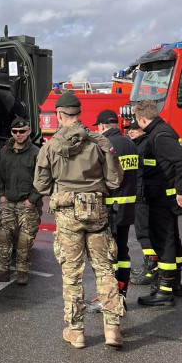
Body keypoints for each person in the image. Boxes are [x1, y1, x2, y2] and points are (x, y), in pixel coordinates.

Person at [33, 91, 124, 349]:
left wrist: (61, 189)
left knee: (72, 274)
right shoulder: (99, 142)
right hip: (96, 212)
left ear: (60, 115)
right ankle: (112, 329)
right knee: (104, 269)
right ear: (79, 114)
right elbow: (115, 181)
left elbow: (40, 185)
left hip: (67, 215)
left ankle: (77, 332)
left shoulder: (50, 146)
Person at [134, 100, 182, 306]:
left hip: (162, 199)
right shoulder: (160, 131)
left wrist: (181, 191)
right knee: (171, 240)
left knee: (163, 241)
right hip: (162, 196)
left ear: (142, 119)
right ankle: (174, 284)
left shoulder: (159, 136)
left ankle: (164, 292)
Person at [85, 110, 138, 312]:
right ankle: (122, 295)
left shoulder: (105, 144)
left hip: (110, 209)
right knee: (123, 252)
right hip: (127, 208)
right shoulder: (131, 144)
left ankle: (109, 299)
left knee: (108, 255)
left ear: (100, 126)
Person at [0, 116, 41, 285]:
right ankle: (2, 271)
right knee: (3, 236)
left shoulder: (36, 153)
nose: (19, 135)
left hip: (27, 203)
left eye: (22, 131)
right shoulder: (4, 152)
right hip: (7, 202)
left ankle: (22, 272)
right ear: (11, 133)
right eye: (15, 132)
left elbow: (42, 179)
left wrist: (32, 200)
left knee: (25, 239)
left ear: (29, 132)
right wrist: (1, 195)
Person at [125, 120, 158, 286]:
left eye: (134, 129)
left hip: (142, 194)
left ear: (142, 130)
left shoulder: (143, 145)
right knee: (143, 230)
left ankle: (151, 269)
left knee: (144, 231)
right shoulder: (140, 143)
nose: (130, 132)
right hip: (141, 193)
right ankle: (149, 265)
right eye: (129, 129)